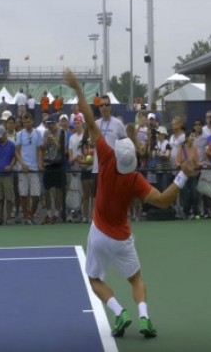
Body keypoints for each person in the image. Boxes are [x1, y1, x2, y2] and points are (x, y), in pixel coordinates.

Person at [65, 69, 198, 339]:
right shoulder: (135, 179)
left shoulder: (105, 157)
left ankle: (119, 312)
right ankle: (144, 318)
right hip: (122, 238)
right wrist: (182, 175)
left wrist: (79, 89)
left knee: (94, 280)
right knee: (136, 279)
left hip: (99, 234)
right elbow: (162, 201)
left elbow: (90, 123)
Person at [15, 112, 44, 225]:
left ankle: (31, 214)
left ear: (32, 121)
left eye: (28, 121)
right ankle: (26, 216)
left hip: (34, 169)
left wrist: (40, 164)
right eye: (24, 122)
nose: (26, 124)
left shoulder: (37, 133)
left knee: (36, 195)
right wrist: (22, 164)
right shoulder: (20, 134)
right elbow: (16, 151)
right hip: (23, 169)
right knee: (23, 194)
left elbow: (39, 150)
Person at [42, 114, 65, 224]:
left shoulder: (61, 132)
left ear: (56, 123)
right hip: (48, 164)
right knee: (46, 190)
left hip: (58, 163)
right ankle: (48, 214)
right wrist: (47, 141)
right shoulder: (46, 133)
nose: (50, 126)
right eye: (48, 124)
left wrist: (54, 140)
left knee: (58, 191)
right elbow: (44, 148)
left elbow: (62, 148)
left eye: (51, 124)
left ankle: (56, 214)